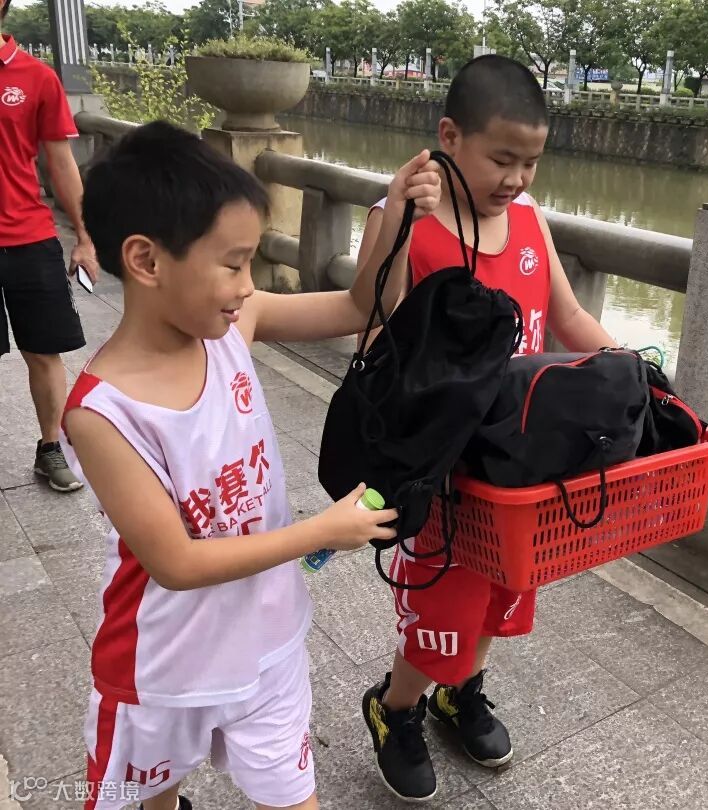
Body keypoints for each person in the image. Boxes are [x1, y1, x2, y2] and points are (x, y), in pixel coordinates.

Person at [62, 121, 441, 810]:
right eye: (233, 263)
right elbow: (176, 563)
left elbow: (363, 306)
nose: (247, 284)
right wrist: (321, 532)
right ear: (146, 260)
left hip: (268, 644)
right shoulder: (102, 413)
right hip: (162, 672)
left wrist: (395, 216)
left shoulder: (236, 326)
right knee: (155, 797)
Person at [352, 54, 616, 803]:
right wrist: (397, 225)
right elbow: (369, 319)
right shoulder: (405, 220)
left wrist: (634, 373)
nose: (517, 179)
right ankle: (397, 706)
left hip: (517, 461)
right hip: (441, 464)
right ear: (449, 137)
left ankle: (459, 692)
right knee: (443, 604)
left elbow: (568, 317)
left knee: (504, 589)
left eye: (530, 163)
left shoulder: (530, 220)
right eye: (502, 159)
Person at [0, 7, 100, 492]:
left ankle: (50, 447)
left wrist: (84, 236)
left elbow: (61, 162)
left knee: (43, 352)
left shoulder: (36, 77)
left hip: (28, 235)